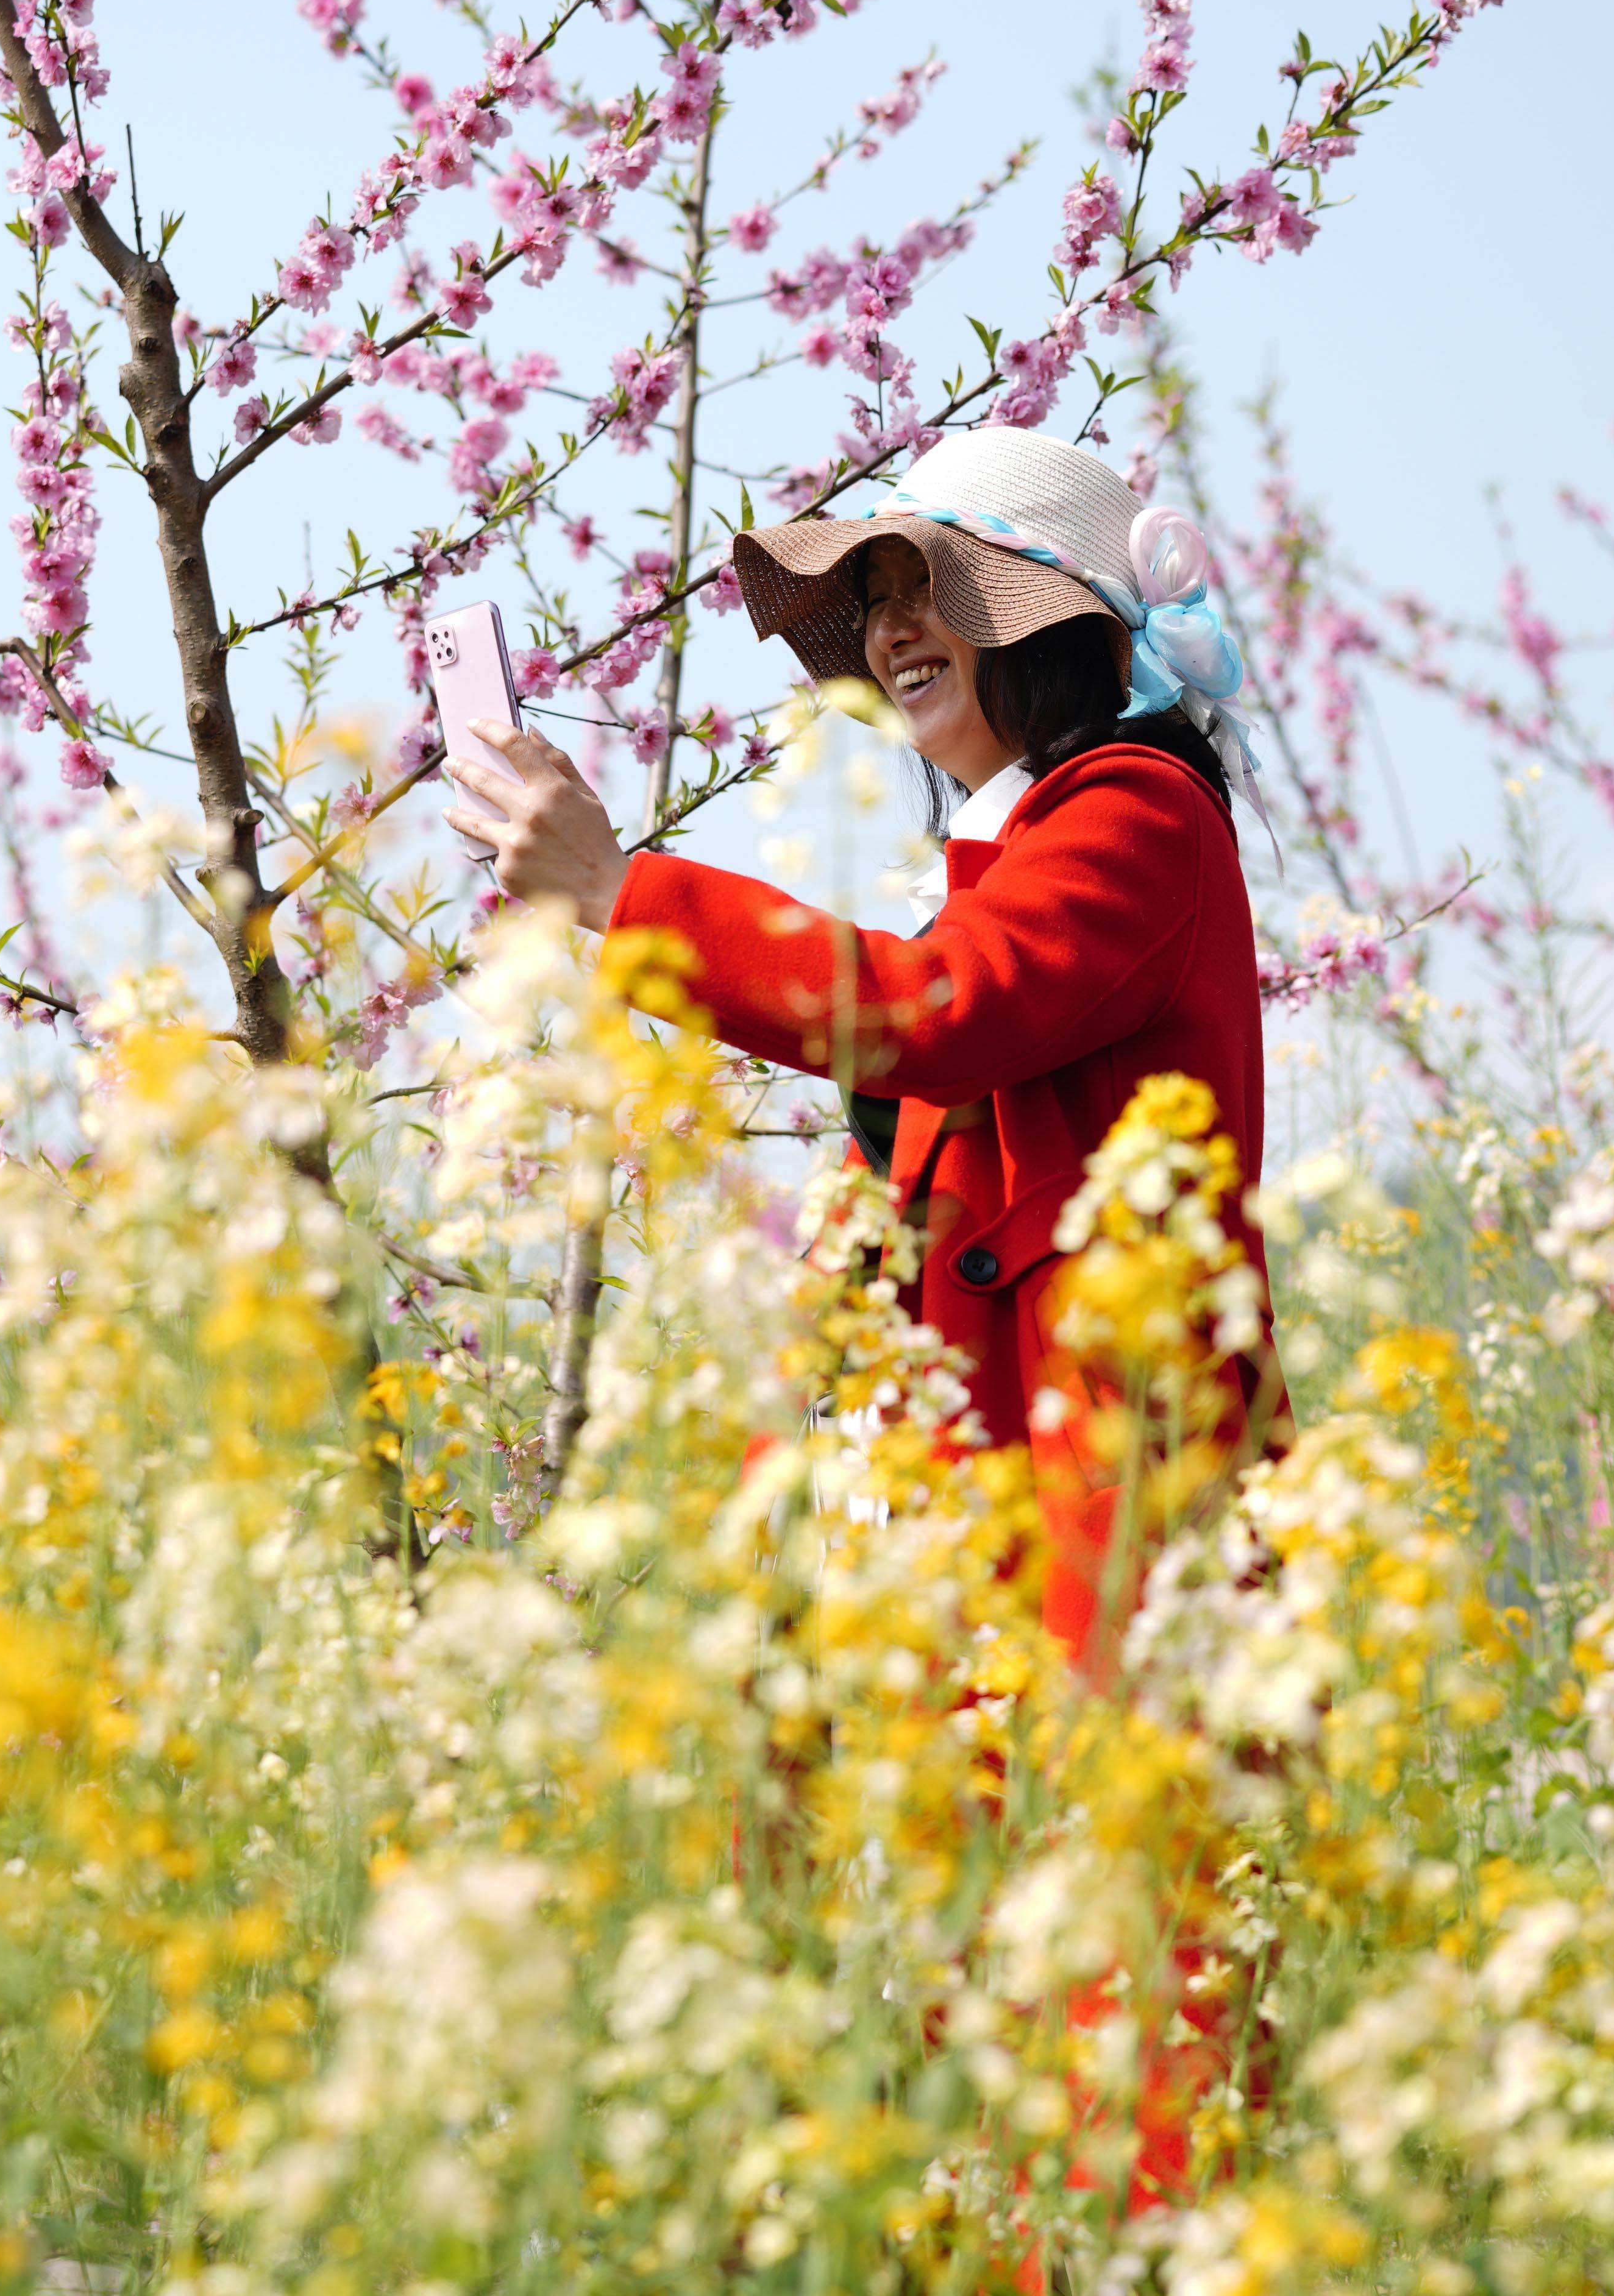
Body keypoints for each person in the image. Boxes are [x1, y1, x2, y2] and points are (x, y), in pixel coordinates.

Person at [444, 423, 1285, 2223]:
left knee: (1125, 1958)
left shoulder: (1134, 811)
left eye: (939, 596)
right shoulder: (1011, 842)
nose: (900, 633)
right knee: (972, 1961)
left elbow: (943, 1015)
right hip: (985, 1494)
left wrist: (626, 896)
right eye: (879, 602)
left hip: (1106, 1486)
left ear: (1052, 625)